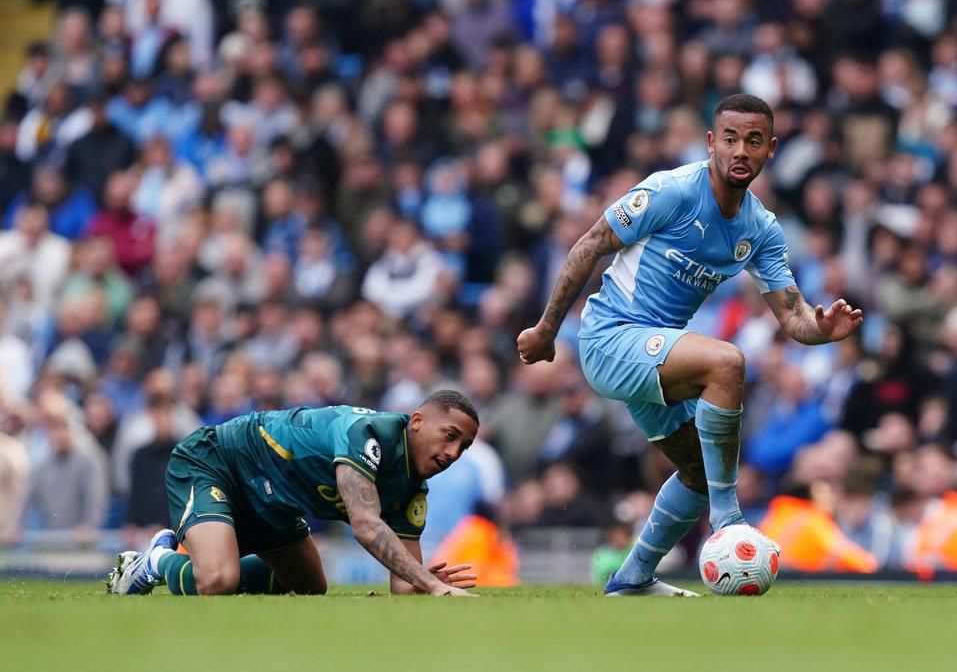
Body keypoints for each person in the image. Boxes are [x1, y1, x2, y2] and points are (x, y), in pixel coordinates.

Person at [517, 94, 864, 596]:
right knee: (726, 362)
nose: (740, 150)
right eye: (730, 139)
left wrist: (822, 328)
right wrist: (547, 330)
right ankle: (730, 521)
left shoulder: (761, 229)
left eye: (753, 141)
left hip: (659, 352)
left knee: (699, 474)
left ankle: (632, 578)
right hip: (611, 335)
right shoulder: (671, 191)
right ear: (711, 143)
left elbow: (793, 315)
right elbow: (591, 243)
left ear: (771, 150)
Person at [107, 390, 480, 597]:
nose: (452, 453)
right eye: (450, 435)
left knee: (308, 587)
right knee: (217, 581)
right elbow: (365, 525)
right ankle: (156, 562)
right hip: (220, 462)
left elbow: (402, 583)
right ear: (417, 421)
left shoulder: (413, 491)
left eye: (463, 447)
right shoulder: (367, 435)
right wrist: (428, 583)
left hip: (274, 499)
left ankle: (216, 561)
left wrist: (423, 584)